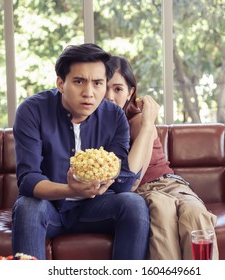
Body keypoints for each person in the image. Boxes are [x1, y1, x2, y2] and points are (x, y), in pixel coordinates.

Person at [12, 44, 150, 260]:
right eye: (78, 82)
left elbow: (122, 183)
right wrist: (70, 190)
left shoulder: (114, 116)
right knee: (27, 206)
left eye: (97, 83)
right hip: (49, 208)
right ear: (60, 83)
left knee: (134, 204)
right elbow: (28, 180)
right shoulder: (32, 111)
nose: (89, 93)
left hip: (96, 208)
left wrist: (98, 185)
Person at [105, 55, 219, 260]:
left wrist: (148, 124)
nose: (110, 96)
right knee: (163, 214)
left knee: (195, 214)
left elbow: (136, 175)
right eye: (104, 87)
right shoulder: (96, 125)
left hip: (170, 184)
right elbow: (133, 184)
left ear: (131, 92)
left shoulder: (139, 121)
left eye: (118, 89)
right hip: (142, 190)